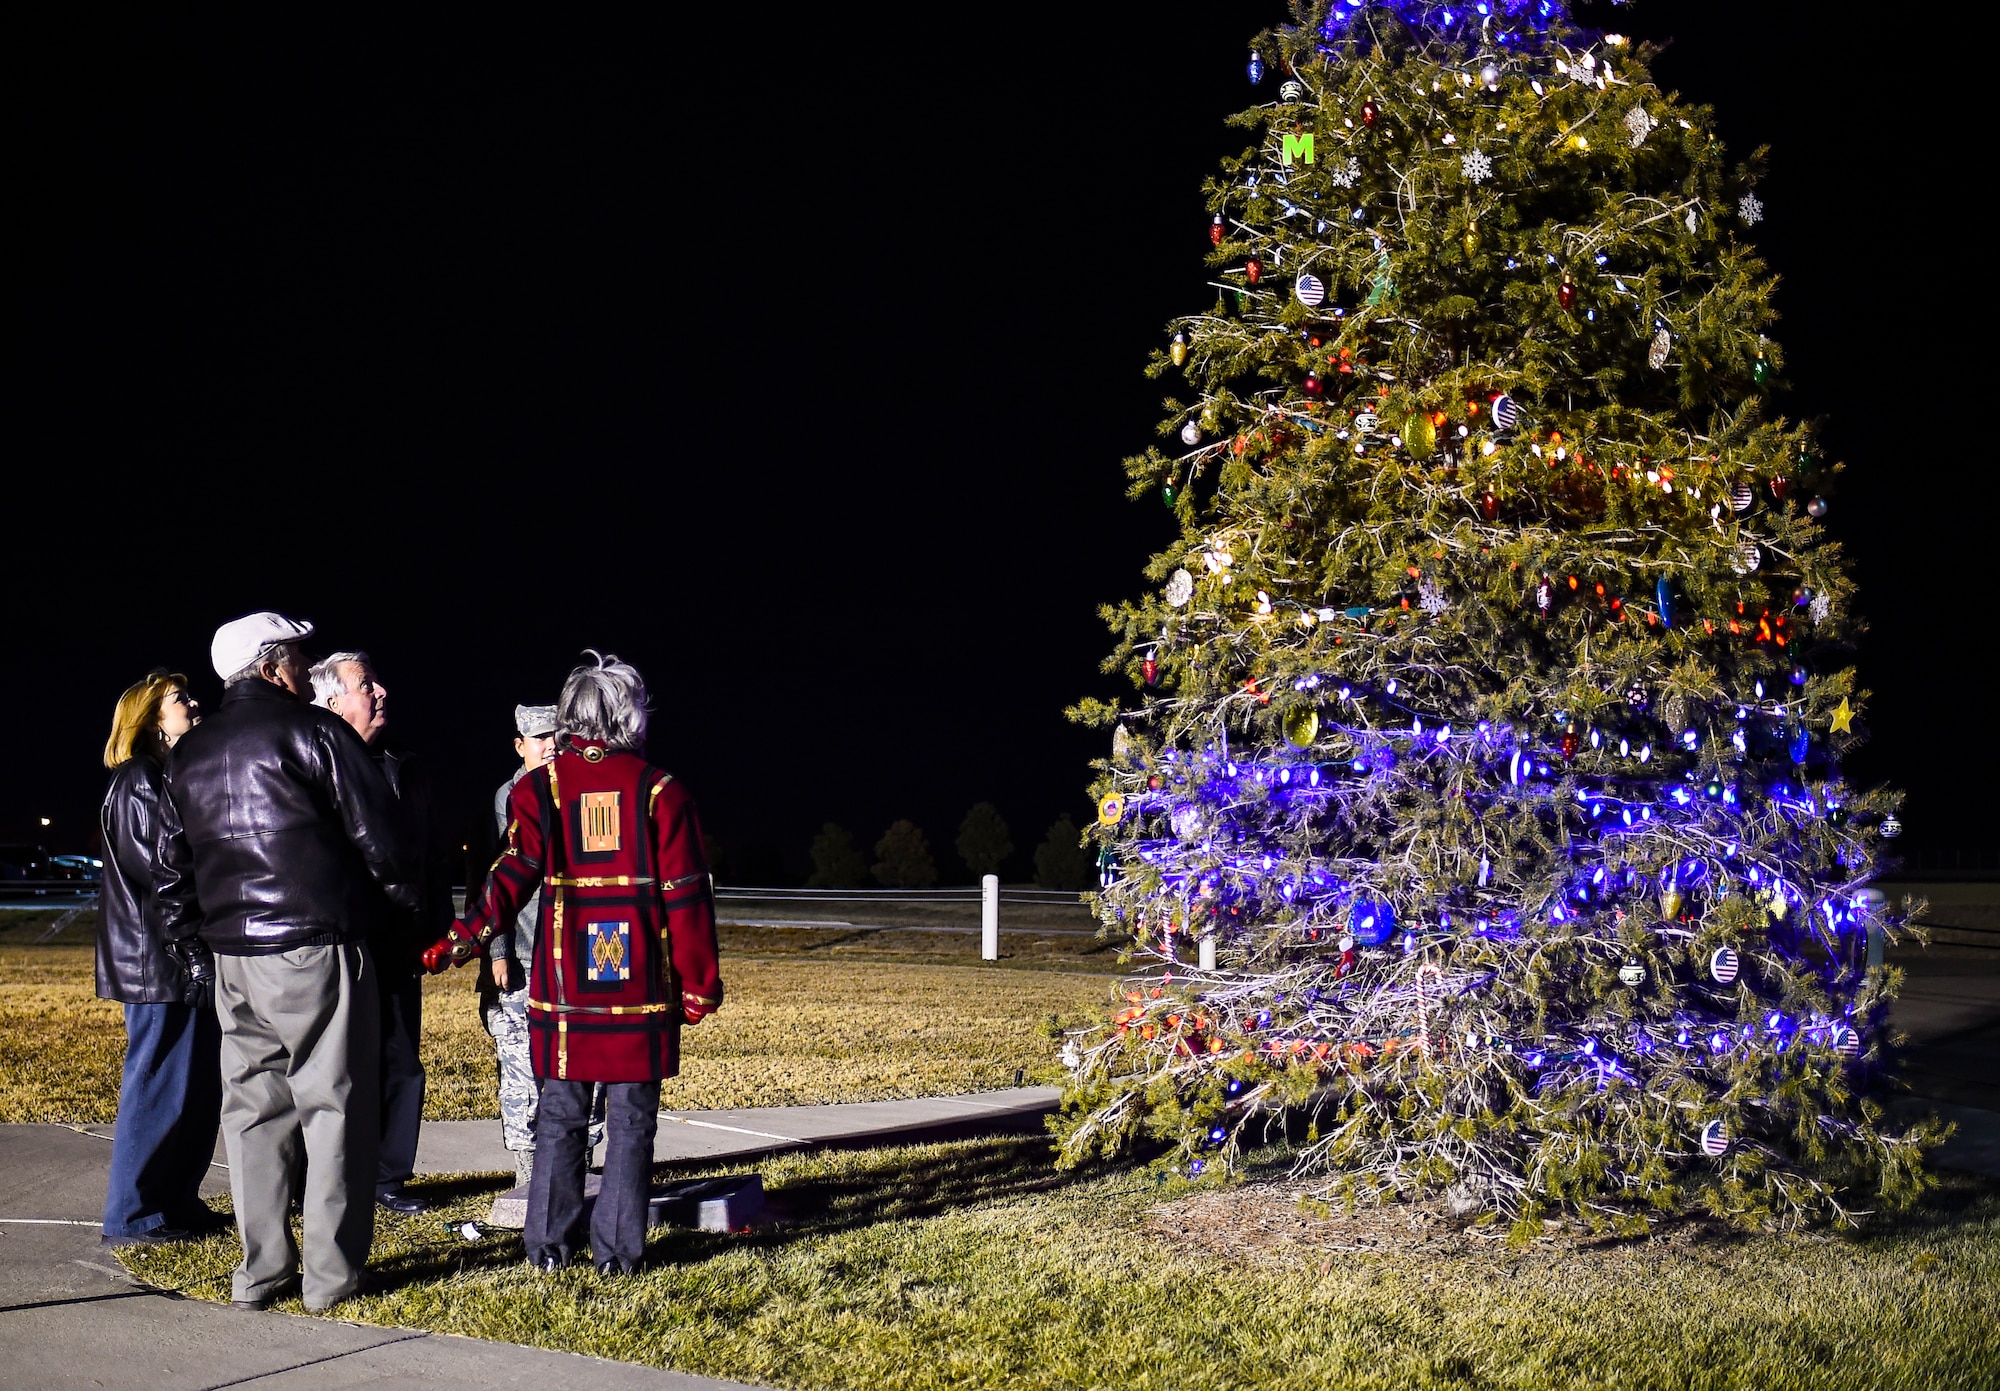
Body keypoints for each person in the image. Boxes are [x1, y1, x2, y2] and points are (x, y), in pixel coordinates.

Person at [425, 652, 722, 1274]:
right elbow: (686, 895)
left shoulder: (540, 787)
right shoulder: (660, 790)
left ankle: (548, 1249)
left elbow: (512, 874)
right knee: (632, 1119)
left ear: (569, 717)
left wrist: (464, 934)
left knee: (559, 1112)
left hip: (564, 982)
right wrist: (697, 984)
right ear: (630, 715)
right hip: (636, 982)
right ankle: (618, 1254)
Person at [155, 612, 411, 1313]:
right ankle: (331, 1277)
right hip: (315, 945)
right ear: (271, 667)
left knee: (252, 1113)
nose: (305, 667)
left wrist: (193, 951)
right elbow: (381, 842)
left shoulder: (191, 752)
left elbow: (171, 870)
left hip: (233, 955)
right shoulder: (315, 731)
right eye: (296, 656)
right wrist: (406, 913)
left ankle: (261, 1271)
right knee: (334, 1107)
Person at [309, 650, 454, 1216]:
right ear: (331, 701)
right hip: (338, 939)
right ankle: (324, 1174)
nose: (382, 691)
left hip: (398, 943)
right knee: (335, 1063)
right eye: (366, 684)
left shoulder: (405, 768)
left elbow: (431, 857)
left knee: (400, 1058)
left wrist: (435, 924)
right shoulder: (310, 763)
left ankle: (389, 1176)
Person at [97, 670, 222, 1247]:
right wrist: (190, 949)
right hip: (159, 961)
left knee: (191, 1086)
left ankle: (175, 1200)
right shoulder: (141, 779)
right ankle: (133, 1214)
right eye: (179, 699)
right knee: (157, 1085)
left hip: (167, 955)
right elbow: (164, 874)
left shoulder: (159, 777)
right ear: (150, 720)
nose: (193, 704)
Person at [482, 704, 603, 1188]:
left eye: (557, 736)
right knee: (521, 1065)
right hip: (526, 952)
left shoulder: (583, 789)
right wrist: (498, 951)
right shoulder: (509, 796)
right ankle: (528, 1172)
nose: (550, 745)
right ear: (520, 745)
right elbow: (496, 881)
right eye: (539, 738)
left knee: (584, 1062)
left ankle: (582, 1164)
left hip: (576, 954)